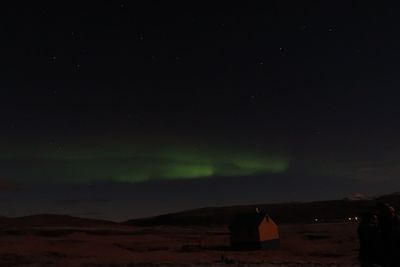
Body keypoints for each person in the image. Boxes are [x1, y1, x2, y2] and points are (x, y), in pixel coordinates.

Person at [377, 203, 400, 267]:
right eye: (389, 212)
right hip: (386, 252)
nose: (391, 214)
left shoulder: (396, 222)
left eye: (392, 212)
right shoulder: (381, 223)